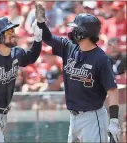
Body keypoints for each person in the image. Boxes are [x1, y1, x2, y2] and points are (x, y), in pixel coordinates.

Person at [35, 4, 121, 143]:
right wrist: (41, 23)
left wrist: (114, 120)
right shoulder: (69, 47)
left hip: (93, 118)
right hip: (73, 117)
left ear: (84, 32)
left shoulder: (101, 59)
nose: (72, 31)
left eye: (76, 28)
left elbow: (112, 90)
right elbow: (48, 38)